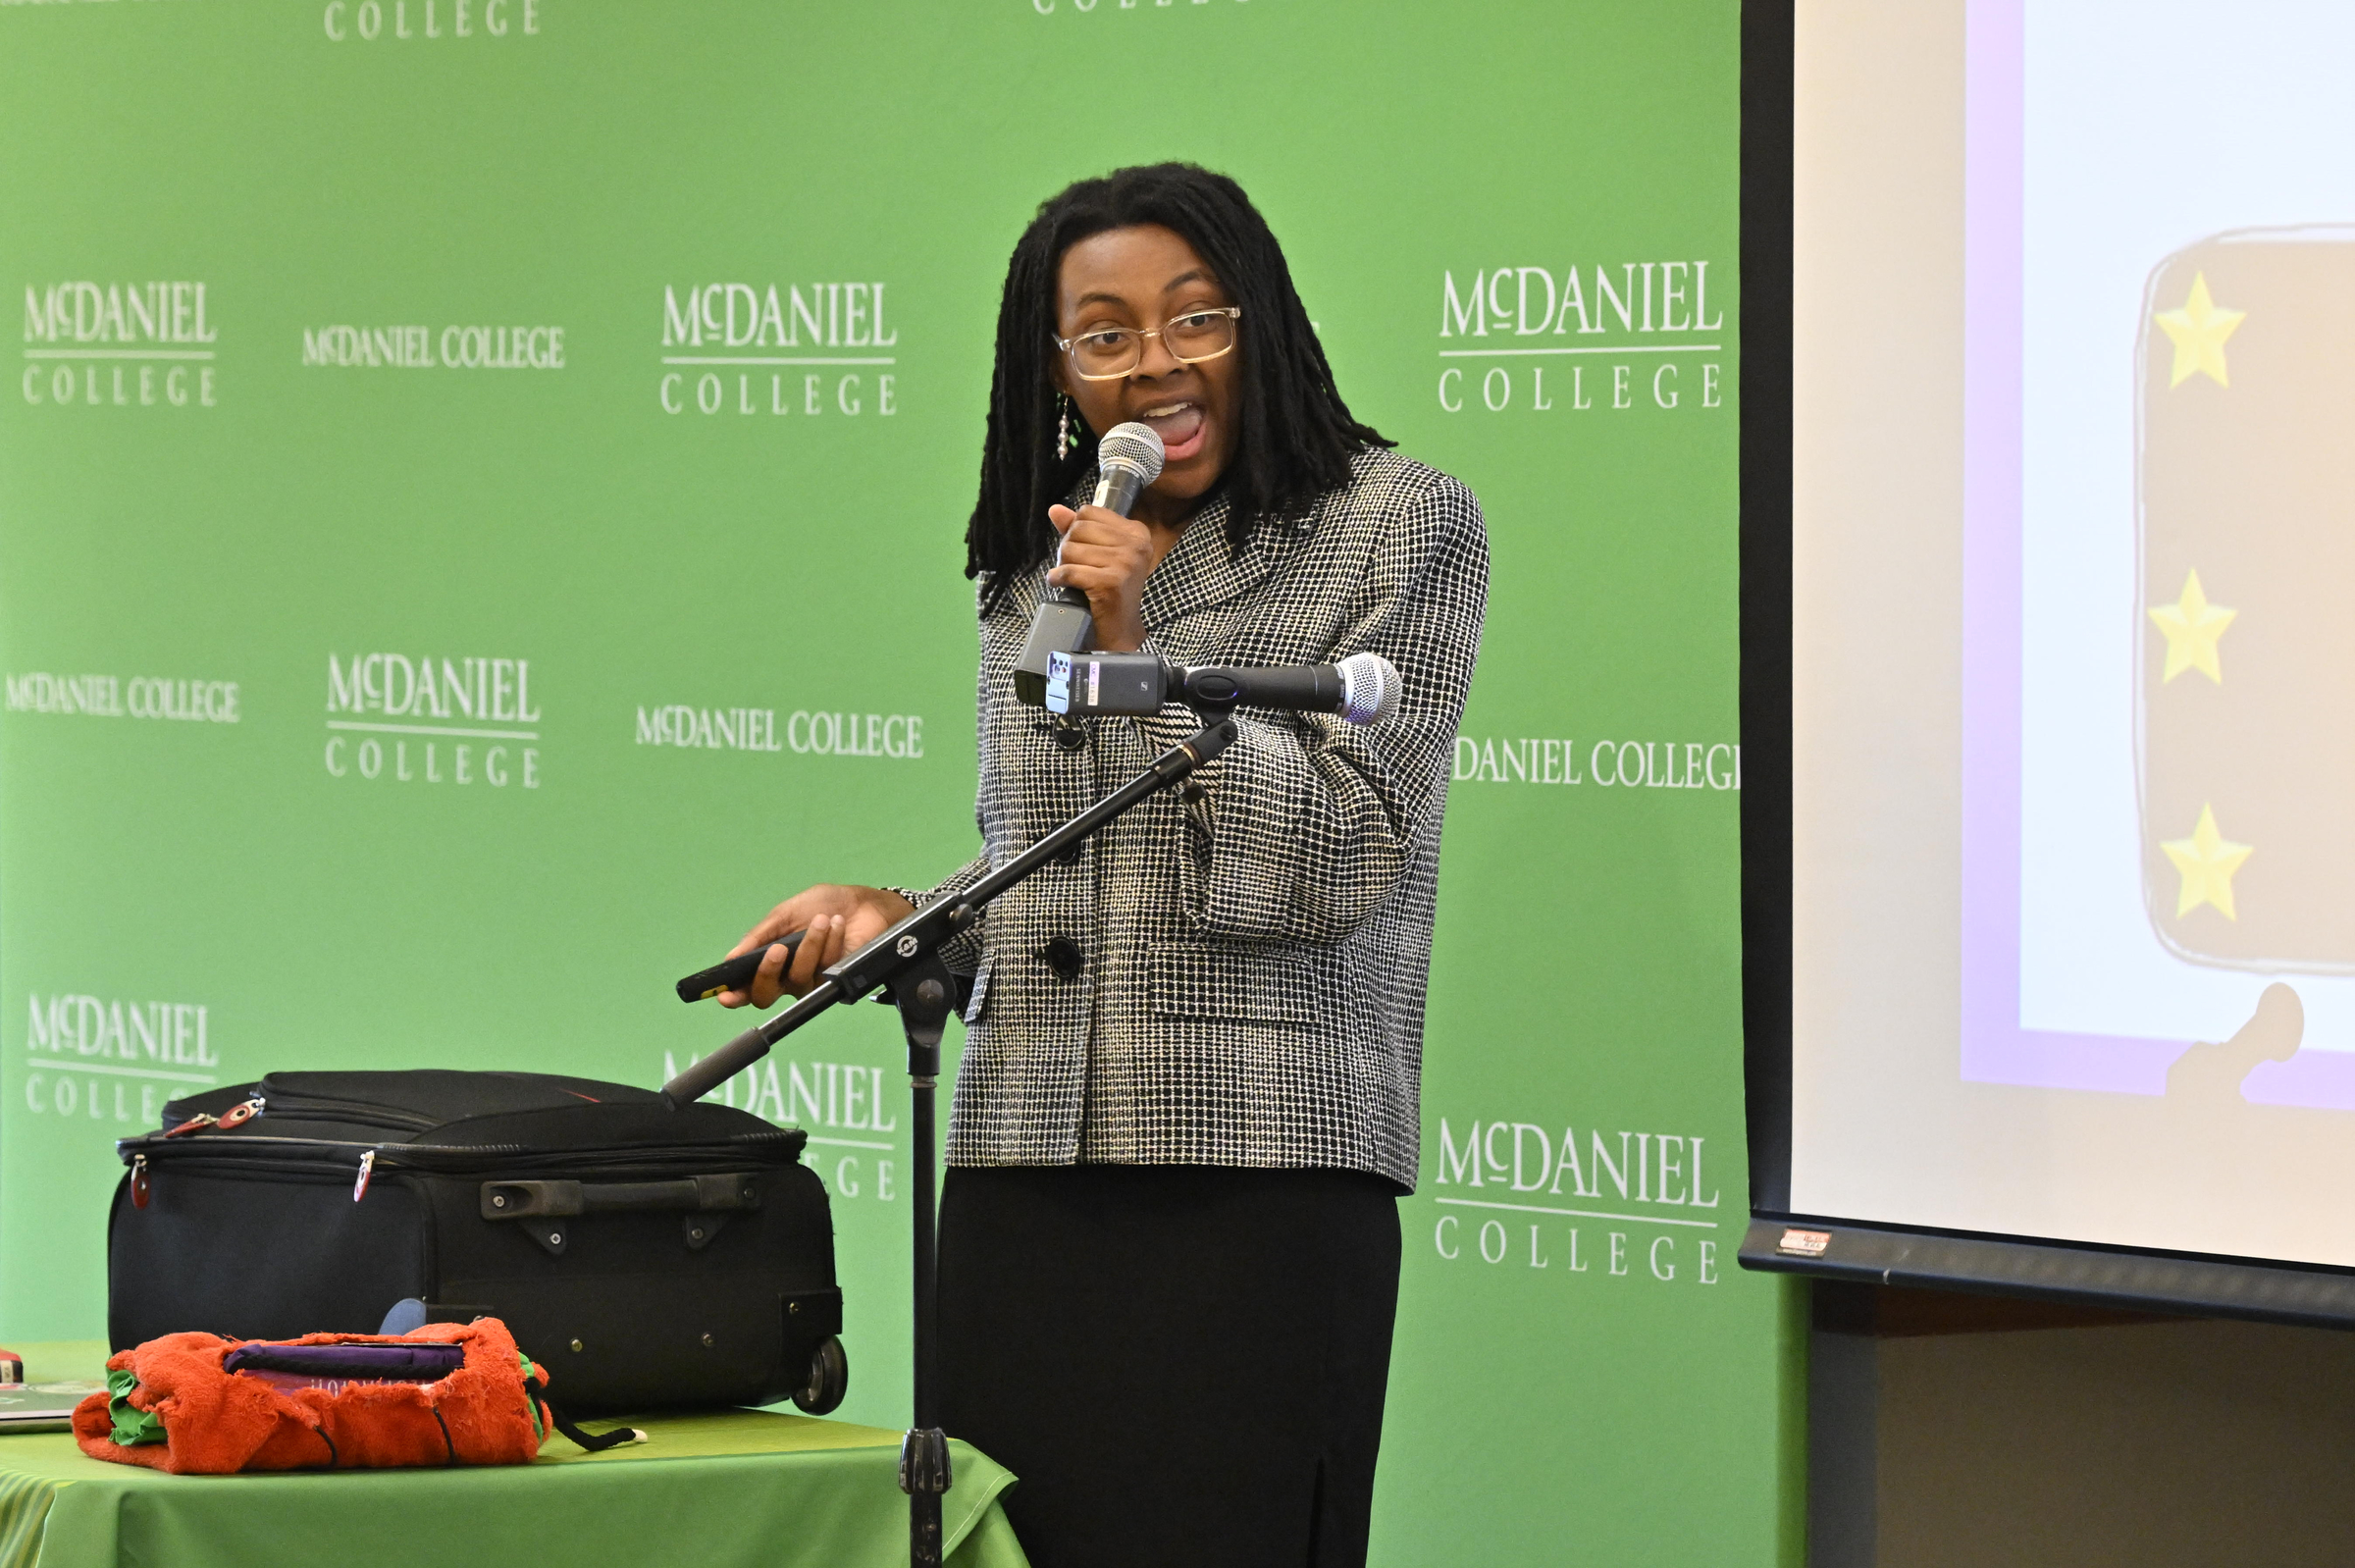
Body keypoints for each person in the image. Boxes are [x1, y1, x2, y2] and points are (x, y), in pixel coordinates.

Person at [718, 162, 1488, 1568]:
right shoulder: (1042, 559)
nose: (1157, 366)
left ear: (1261, 323)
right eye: (1107, 334)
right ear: (1055, 366)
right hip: (1025, 1172)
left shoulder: (1398, 524)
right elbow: (1060, 862)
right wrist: (903, 917)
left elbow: (1338, 857)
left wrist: (1136, 655)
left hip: (1253, 1175)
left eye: (1197, 318)